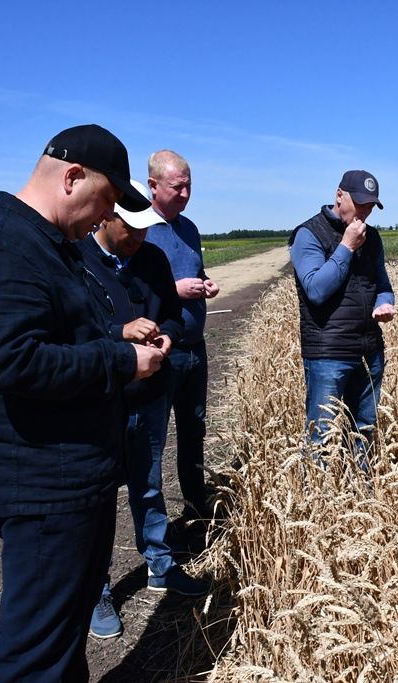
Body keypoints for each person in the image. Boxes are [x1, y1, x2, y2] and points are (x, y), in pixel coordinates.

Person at [0, 124, 166, 682]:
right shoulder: (4, 246)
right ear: (72, 177)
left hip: (74, 477)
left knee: (63, 637)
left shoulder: (48, 247)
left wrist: (117, 338)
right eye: (107, 201)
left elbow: (53, 340)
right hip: (46, 483)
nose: (105, 217)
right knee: (35, 655)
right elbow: (13, 361)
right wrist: (121, 363)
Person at [77, 180, 211, 639]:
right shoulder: (78, 261)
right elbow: (74, 334)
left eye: (143, 231)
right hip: (103, 398)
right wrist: (121, 332)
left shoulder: (151, 257)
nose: (138, 238)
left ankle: (159, 563)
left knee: (148, 483)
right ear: (105, 216)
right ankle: (97, 591)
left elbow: (173, 312)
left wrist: (169, 335)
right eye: (130, 230)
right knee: (97, 497)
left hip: (152, 391)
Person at [288, 170, 396, 467]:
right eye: (360, 204)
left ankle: (359, 495)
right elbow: (316, 290)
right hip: (328, 354)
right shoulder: (308, 234)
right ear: (339, 195)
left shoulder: (372, 238)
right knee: (321, 436)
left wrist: (385, 304)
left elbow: (383, 287)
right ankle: (317, 501)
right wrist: (346, 247)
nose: (365, 212)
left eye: (371, 206)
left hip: (369, 350)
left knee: (363, 429)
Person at [144, 150, 220, 527]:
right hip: (161, 352)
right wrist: (175, 290)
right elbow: (133, 291)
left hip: (195, 348)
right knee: (152, 443)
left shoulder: (188, 228)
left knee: (194, 431)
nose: (186, 193)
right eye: (178, 186)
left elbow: (196, 270)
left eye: (190, 185)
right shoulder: (139, 230)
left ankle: (196, 509)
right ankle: (157, 533)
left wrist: (205, 284)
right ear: (153, 186)